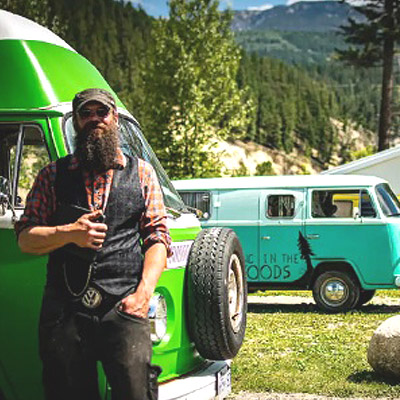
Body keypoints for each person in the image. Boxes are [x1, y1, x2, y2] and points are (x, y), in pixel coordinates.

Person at [15, 88, 171, 400]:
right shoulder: (51, 175)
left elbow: (158, 238)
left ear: (115, 118)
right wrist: (69, 232)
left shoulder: (141, 172)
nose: (94, 119)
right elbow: (25, 240)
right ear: (76, 123)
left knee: (135, 391)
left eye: (102, 112)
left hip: (124, 307)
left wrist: (143, 295)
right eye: (86, 114)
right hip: (66, 311)